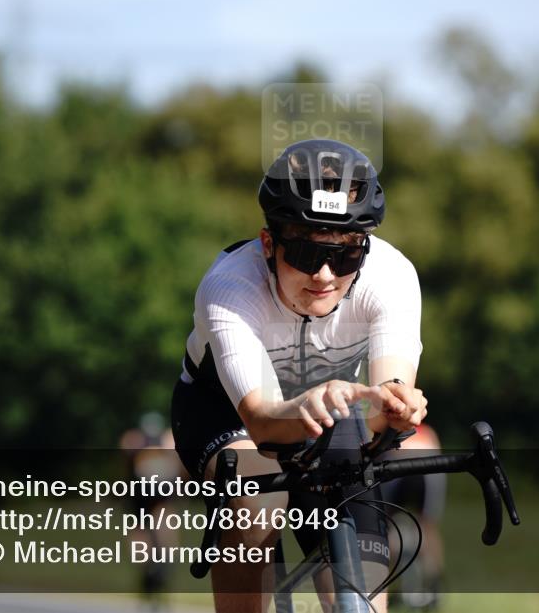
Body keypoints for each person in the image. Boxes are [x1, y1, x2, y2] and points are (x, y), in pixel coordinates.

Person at [171, 139, 428, 613]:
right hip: (228, 416)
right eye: (308, 255)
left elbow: (390, 388)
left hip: (333, 415)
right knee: (256, 501)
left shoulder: (391, 275)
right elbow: (264, 421)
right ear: (269, 244)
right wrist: (313, 405)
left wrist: (394, 407)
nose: (327, 275)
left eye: (346, 257)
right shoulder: (230, 285)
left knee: (364, 601)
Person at [119, 412, 186, 611]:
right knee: (154, 530)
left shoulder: (136, 440)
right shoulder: (162, 440)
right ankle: (157, 568)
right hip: (149, 495)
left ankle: (157, 568)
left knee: (154, 529)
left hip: (153, 495)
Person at [378, 423, 446, 610]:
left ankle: (386, 588)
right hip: (427, 470)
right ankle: (434, 586)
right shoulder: (429, 432)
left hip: (398, 470)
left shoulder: (388, 427)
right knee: (428, 528)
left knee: (384, 527)